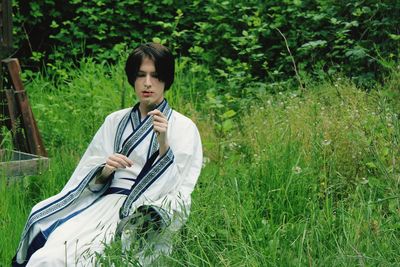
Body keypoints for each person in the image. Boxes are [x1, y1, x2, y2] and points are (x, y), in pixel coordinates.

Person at [12, 43, 203, 266]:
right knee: (50, 256)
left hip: (141, 212)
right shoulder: (115, 120)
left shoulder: (183, 127)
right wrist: (105, 170)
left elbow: (180, 187)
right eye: (141, 75)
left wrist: (163, 144)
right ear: (133, 78)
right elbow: (89, 167)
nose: (147, 83)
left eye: (156, 76)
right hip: (103, 202)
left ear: (166, 80)